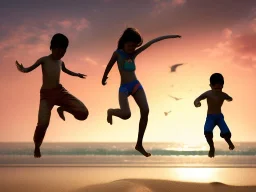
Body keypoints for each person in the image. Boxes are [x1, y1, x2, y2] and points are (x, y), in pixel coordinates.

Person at [101, 27, 181, 157]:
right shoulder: (118, 53)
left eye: (134, 46)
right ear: (124, 43)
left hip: (136, 85)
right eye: (129, 45)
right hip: (124, 88)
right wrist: (104, 77)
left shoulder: (133, 54)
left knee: (145, 110)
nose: (131, 48)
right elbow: (109, 65)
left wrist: (171, 35)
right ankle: (111, 111)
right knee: (126, 114)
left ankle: (139, 144)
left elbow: (152, 42)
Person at [15, 33, 89, 158]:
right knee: (42, 124)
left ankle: (62, 109)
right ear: (52, 47)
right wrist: (22, 69)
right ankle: (37, 146)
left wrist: (77, 74)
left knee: (83, 113)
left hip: (60, 92)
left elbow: (66, 71)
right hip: (46, 96)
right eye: (58, 49)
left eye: (64, 50)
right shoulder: (44, 59)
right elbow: (28, 69)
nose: (61, 53)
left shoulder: (61, 62)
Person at [194, 73, 235, 158]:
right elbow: (197, 99)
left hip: (219, 117)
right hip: (210, 117)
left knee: (227, 133)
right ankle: (212, 147)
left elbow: (229, 98)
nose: (218, 90)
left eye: (220, 87)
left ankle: (229, 142)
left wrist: (229, 99)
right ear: (211, 86)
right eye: (216, 87)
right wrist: (197, 103)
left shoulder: (223, 94)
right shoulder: (208, 94)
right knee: (207, 132)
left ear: (223, 86)